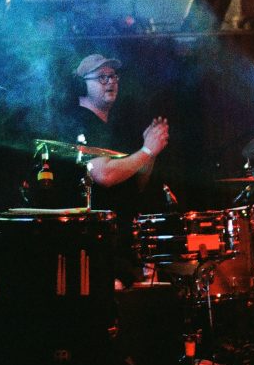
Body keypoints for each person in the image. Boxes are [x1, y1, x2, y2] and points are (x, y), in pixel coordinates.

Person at [56, 53, 170, 286]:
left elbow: (137, 183)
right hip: (91, 247)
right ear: (82, 85)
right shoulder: (81, 122)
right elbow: (104, 175)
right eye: (102, 77)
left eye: (113, 76)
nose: (111, 82)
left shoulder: (113, 128)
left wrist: (151, 153)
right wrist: (147, 150)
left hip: (119, 244)